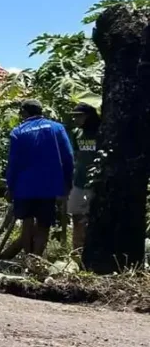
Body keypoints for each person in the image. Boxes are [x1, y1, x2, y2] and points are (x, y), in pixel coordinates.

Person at [5, 99, 74, 256]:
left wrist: (10, 187)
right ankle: (36, 260)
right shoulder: (57, 128)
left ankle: (28, 259)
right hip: (49, 186)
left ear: (24, 112)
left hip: (24, 186)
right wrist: (67, 182)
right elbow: (68, 157)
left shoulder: (18, 132)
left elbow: (13, 164)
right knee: (44, 224)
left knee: (27, 223)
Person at [67, 102, 99, 250]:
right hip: (79, 181)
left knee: (90, 218)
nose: (75, 120)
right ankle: (76, 250)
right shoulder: (77, 133)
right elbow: (76, 155)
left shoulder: (101, 132)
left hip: (95, 183)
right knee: (75, 214)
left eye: (79, 117)